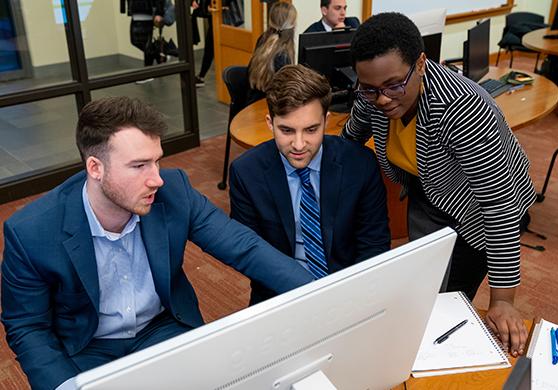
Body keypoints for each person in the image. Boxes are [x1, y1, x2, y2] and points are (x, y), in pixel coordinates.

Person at [0, 97, 314, 390]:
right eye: (139, 166)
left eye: (157, 161)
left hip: (161, 327)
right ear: (95, 168)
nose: (156, 179)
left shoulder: (174, 190)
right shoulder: (31, 232)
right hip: (87, 345)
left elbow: (243, 247)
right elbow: (28, 327)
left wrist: (320, 292)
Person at [342, 13, 536, 357]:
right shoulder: (374, 90)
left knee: (450, 301)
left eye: (392, 85)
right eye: (370, 89)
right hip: (429, 192)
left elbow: (499, 204)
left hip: (480, 211)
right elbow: (349, 139)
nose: (383, 99)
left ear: (420, 63)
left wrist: (504, 299)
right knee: (425, 288)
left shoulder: (463, 109)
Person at [230, 64, 391, 305]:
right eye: (286, 130)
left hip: (348, 289)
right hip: (278, 295)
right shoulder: (246, 172)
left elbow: (374, 244)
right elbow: (251, 254)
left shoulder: (360, 163)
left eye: (311, 130)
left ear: (326, 121)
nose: (298, 144)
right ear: (269, 123)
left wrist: (350, 297)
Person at [246, 1, 296, 105]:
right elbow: (284, 91)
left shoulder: (263, 39)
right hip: (268, 106)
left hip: (253, 100)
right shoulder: (283, 53)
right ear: (292, 25)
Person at [120, 0, 165, 67]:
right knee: (138, 42)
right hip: (135, 11)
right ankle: (157, 55)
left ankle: (149, 70)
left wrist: (159, 12)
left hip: (146, 9)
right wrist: (123, 8)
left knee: (146, 45)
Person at [191, 0, 213, 87]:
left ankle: (201, 76)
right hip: (215, 19)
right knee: (209, 50)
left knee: (209, 50)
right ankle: (201, 76)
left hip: (224, 20)